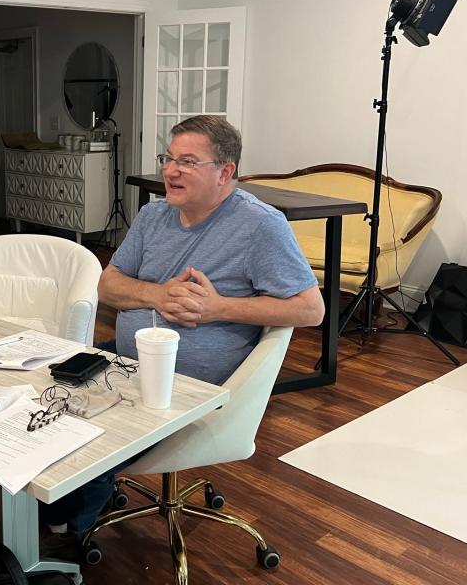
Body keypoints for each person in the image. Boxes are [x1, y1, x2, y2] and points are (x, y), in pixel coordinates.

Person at [42, 115, 324, 541]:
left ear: (225, 172)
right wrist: (157, 296)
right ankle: (57, 512)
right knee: (45, 406)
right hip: (128, 368)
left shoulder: (260, 225)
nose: (170, 171)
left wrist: (216, 308)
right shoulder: (153, 216)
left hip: (193, 386)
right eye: (168, 158)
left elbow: (310, 310)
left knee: (82, 447)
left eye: (187, 162)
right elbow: (109, 284)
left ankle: (66, 528)